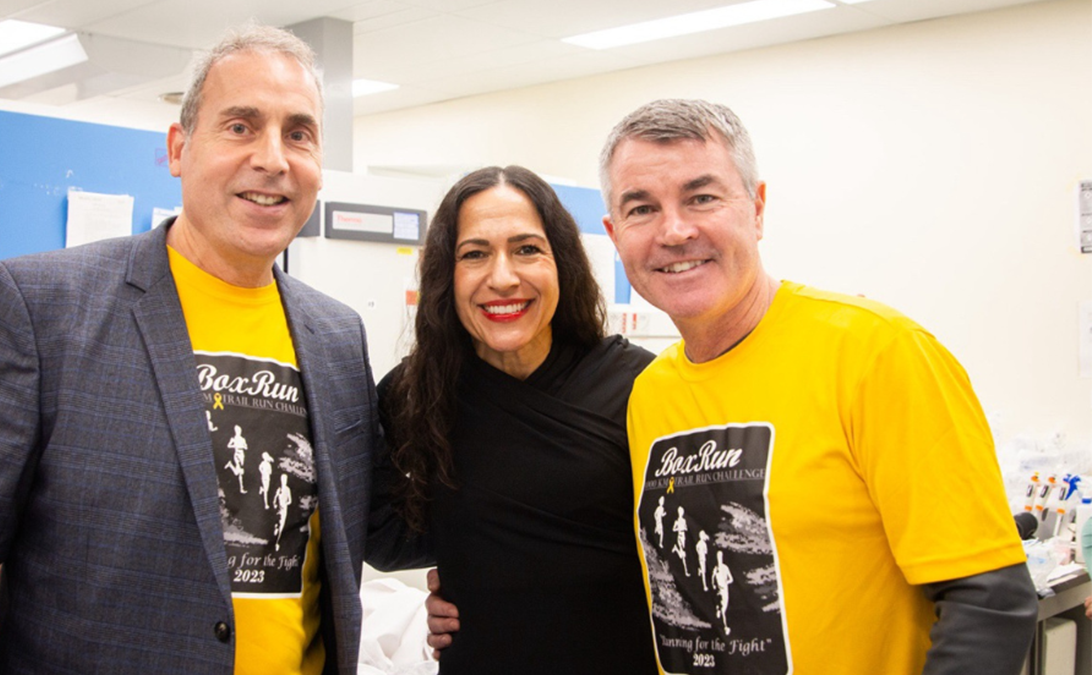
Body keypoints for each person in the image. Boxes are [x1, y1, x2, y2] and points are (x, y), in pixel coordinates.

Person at [0, 24, 383, 675]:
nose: (273, 157)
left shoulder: (337, 337)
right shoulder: (44, 308)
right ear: (180, 148)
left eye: (299, 132)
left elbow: (378, 519)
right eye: (240, 126)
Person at [599, 98, 1037, 673]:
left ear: (756, 209)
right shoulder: (651, 392)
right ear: (614, 232)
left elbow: (990, 601)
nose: (675, 230)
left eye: (702, 197)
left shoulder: (876, 352)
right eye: (642, 209)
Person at [367, 165, 657, 673]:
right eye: (475, 254)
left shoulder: (638, 386)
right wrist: (461, 577)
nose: (502, 278)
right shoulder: (414, 394)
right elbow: (387, 539)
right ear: (446, 275)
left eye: (527, 249)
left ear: (561, 263)